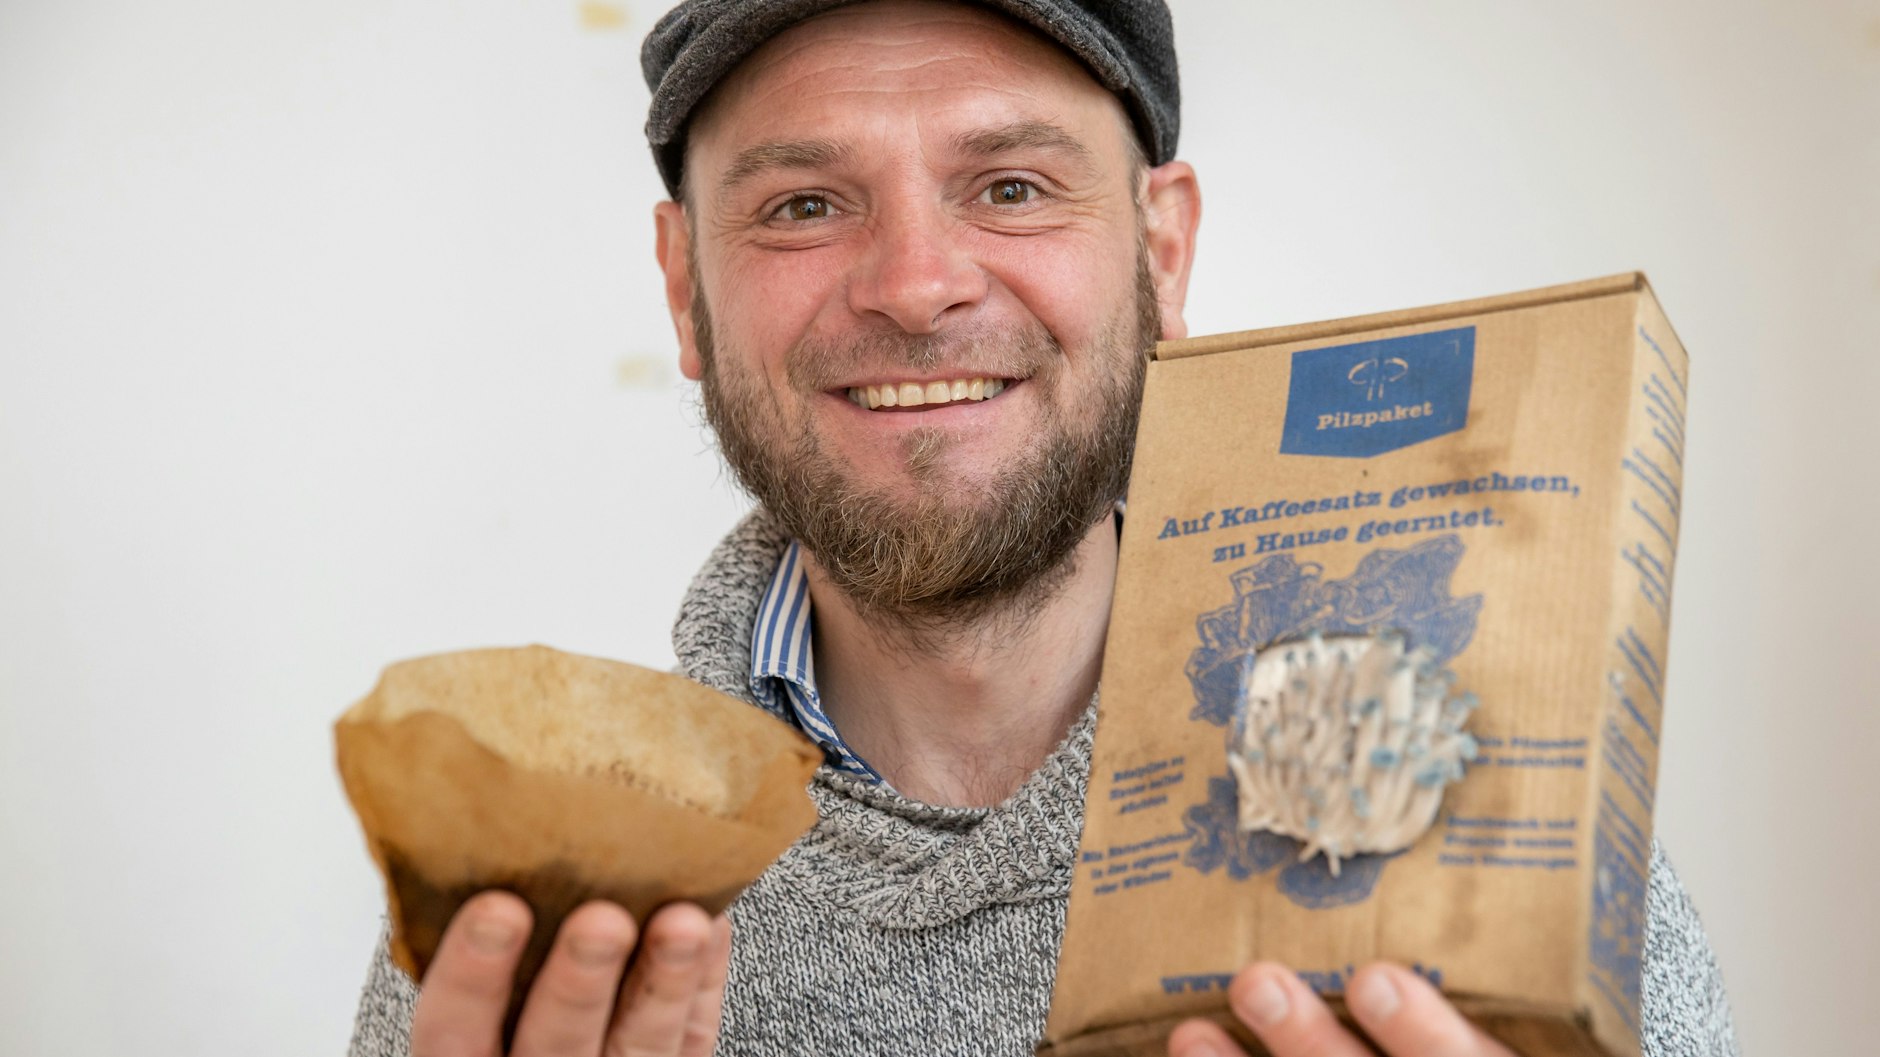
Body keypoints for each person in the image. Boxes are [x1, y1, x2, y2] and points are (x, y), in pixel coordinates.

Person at [348, 2, 1738, 1055]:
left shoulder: (1501, 846)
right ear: (682, 286)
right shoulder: (529, 907)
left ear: (1163, 251)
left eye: (1011, 185)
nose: (914, 283)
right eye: (804, 205)